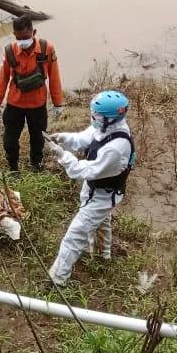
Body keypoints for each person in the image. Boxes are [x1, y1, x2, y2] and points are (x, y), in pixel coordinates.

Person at [44, 91, 135, 286]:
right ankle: (104, 255)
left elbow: (82, 170)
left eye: (96, 115)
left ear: (110, 118)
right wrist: (64, 139)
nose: (92, 117)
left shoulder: (116, 148)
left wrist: (62, 155)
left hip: (102, 197)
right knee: (103, 224)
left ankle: (57, 280)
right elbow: (85, 137)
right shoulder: (107, 128)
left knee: (74, 236)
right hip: (95, 191)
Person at [0, 15, 64, 173]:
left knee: (38, 139)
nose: (22, 41)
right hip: (14, 104)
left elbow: (54, 76)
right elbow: (2, 79)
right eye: (18, 38)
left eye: (25, 37)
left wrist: (58, 103)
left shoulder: (46, 49)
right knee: (9, 141)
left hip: (38, 104)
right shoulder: (10, 51)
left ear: (33, 31)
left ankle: (36, 165)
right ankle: (13, 168)